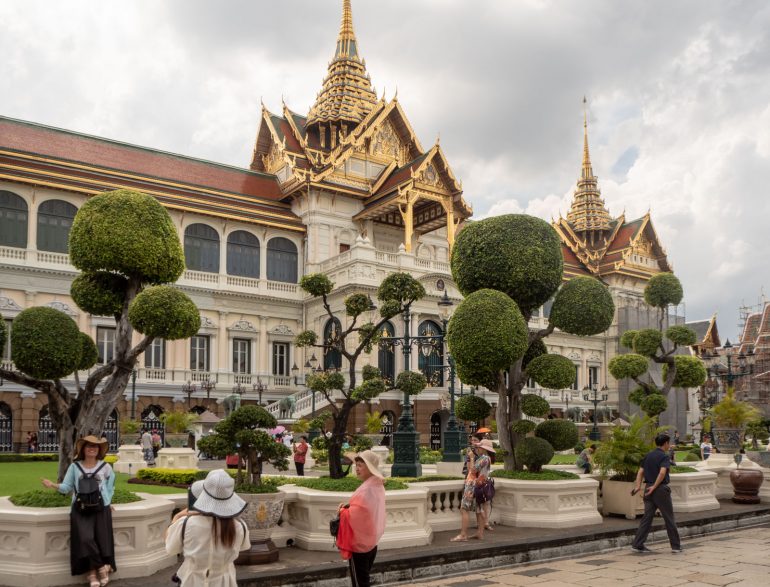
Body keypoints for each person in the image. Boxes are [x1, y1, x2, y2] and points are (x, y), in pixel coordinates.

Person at [41, 435, 116, 587]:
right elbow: (67, 487)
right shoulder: (75, 467)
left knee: (101, 541)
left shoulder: (106, 467)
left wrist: (109, 503)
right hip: (80, 509)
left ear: (99, 450)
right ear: (83, 449)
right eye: (89, 446)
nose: (92, 449)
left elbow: (110, 488)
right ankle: (101, 567)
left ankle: (92, 575)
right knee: (85, 540)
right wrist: (53, 485)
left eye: (95, 447)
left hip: (101, 508)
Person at [165, 469, 250, 587]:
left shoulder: (186, 524)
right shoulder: (240, 527)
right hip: (225, 582)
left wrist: (177, 516)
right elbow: (243, 547)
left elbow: (171, 549)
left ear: (202, 496)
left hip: (192, 581)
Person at [335, 450, 386, 587]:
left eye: (360, 465)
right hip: (371, 542)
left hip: (360, 545)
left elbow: (356, 516)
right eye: (356, 465)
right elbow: (365, 509)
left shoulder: (367, 489)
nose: (357, 469)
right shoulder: (377, 484)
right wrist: (349, 506)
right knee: (364, 579)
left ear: (369, 467)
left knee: (359, 583)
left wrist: (342, 510)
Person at [631, 433, 682, 554]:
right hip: (660, 489)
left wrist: (638, 486)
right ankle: (675, 546)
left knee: (646, 518)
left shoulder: (648, 455)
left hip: (648, 489)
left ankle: (637, 544)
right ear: (665, 443)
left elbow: (640, 472)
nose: (669, 445)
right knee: (669, 517)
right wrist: (655, 486)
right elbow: (662, 473)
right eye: (668, 443)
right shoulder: (664, 457)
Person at [451, 437, 493, 542]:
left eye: (479, 447)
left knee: (464, 509)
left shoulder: (484, 458)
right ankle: (480, 533)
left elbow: (472, 470)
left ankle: (463, 535)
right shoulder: (486, 458)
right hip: (479, 486)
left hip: (472, 486)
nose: (477, 448)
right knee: (479, 510)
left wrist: (472, 458)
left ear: (483, 448)